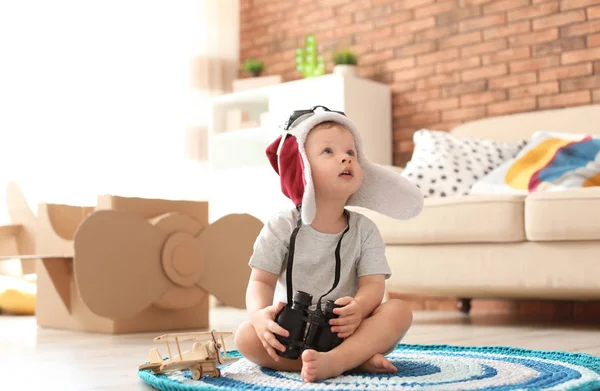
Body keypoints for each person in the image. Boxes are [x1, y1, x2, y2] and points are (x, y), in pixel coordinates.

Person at [234, 106, 423, 383]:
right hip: (293, 335)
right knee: (245, 336)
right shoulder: (280, 227)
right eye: (329, 152)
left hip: (349, 331)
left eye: (351, 153)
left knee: (399, 311)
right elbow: (260, 281)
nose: (345, 159)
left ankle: (338, 359)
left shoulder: (365, 230)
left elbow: (373, 285)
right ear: (303, 168)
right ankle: (351, 361)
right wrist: (261, 316)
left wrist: (359, 308)